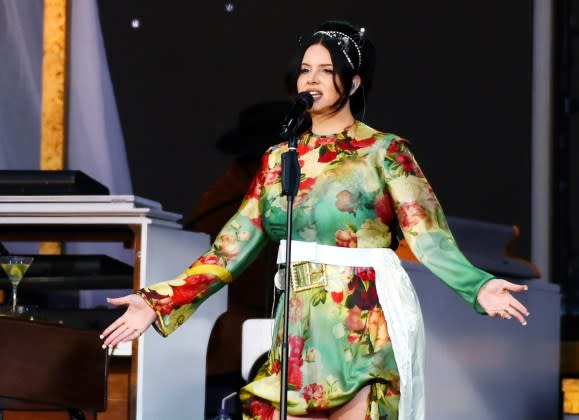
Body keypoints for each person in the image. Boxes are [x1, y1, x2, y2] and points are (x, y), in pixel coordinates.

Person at [101, 19, 529, 420]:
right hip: (299, 324)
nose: (311, 79)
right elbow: (231, 245)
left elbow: (427, 234)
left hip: (365, 317)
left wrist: (479, 285)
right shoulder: (279, 158)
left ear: (354, 82)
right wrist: (159, 300)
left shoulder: (385, 152)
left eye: (326, 70)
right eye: (306, 70)